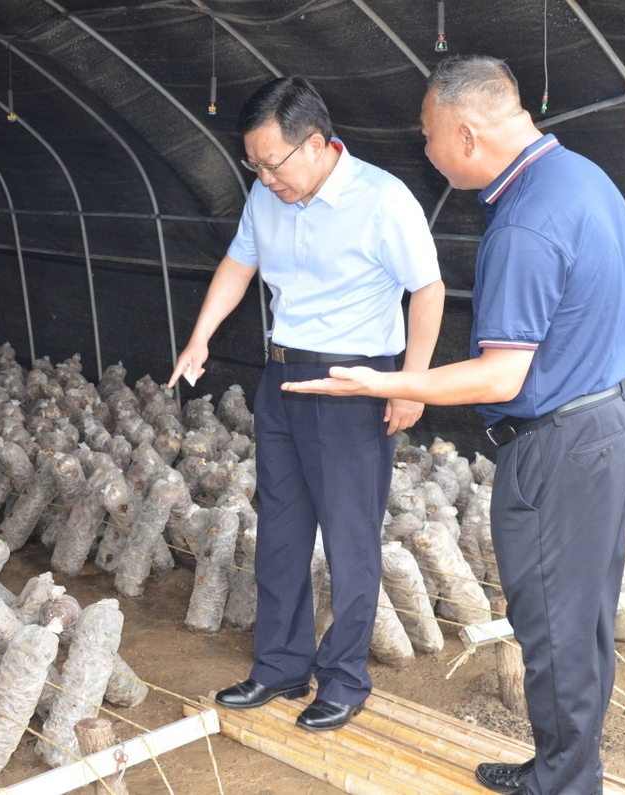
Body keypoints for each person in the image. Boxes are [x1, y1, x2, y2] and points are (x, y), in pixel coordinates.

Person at [283, 55, 625, 793]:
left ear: (468, 134)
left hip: (562, 444)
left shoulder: (524, 225)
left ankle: (566, 783)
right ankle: (564, 766)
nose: (425, 151)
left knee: (552, 627)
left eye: (428, 136)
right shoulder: (582, 177)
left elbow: (501, 374)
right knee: (579, 620)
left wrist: (388, 380)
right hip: (610, 417)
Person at [167, 76, 444, 732]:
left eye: (272, 162)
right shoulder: (268, 199)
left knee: (350, 539)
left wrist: (411, 383)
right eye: (253, 165)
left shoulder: (383, 200)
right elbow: (239, 264)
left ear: (315, 144)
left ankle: (344, 678)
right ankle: (280, 666)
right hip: (284, 376)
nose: (263, 177)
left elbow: (427, 290)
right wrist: (200, 336)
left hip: (355, 384)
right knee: (282, 534)